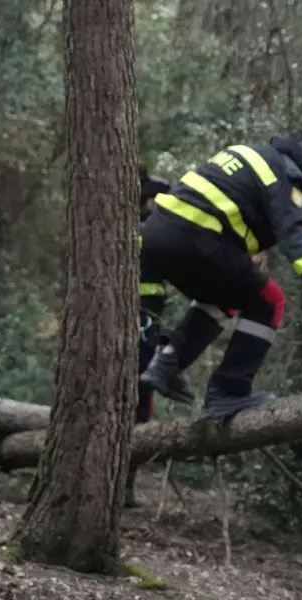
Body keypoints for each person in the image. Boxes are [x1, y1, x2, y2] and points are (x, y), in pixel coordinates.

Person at [138, 133, 302, 419]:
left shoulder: (254, 154)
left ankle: (165, 363)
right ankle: (228, 392)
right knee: (269, 300)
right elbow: (299, 249)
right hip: (197, 237)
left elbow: (228, 204)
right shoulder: (284, 175)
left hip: (156, 235)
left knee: (226, 295)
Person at [125, 162, 172, 507]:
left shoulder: (131, 225)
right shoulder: (149, 228)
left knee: (139, 398)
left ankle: (125, 485)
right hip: (143, 322)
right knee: (140, 398)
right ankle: (124, 484)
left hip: (146, 321)